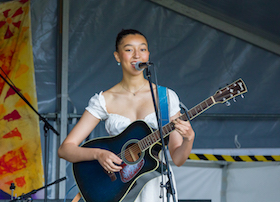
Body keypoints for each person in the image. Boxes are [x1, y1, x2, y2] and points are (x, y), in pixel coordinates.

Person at [58, 29, 195, 201]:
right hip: (118, 188)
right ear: (117, 56)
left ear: (148, 55)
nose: (137, 55)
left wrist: (189, 138)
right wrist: (98, 154)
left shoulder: (165, 98)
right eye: (129, 49)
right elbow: (65, 149)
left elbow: (177, 158)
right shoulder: (104, 99)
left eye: (143, 49)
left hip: (155, 188)